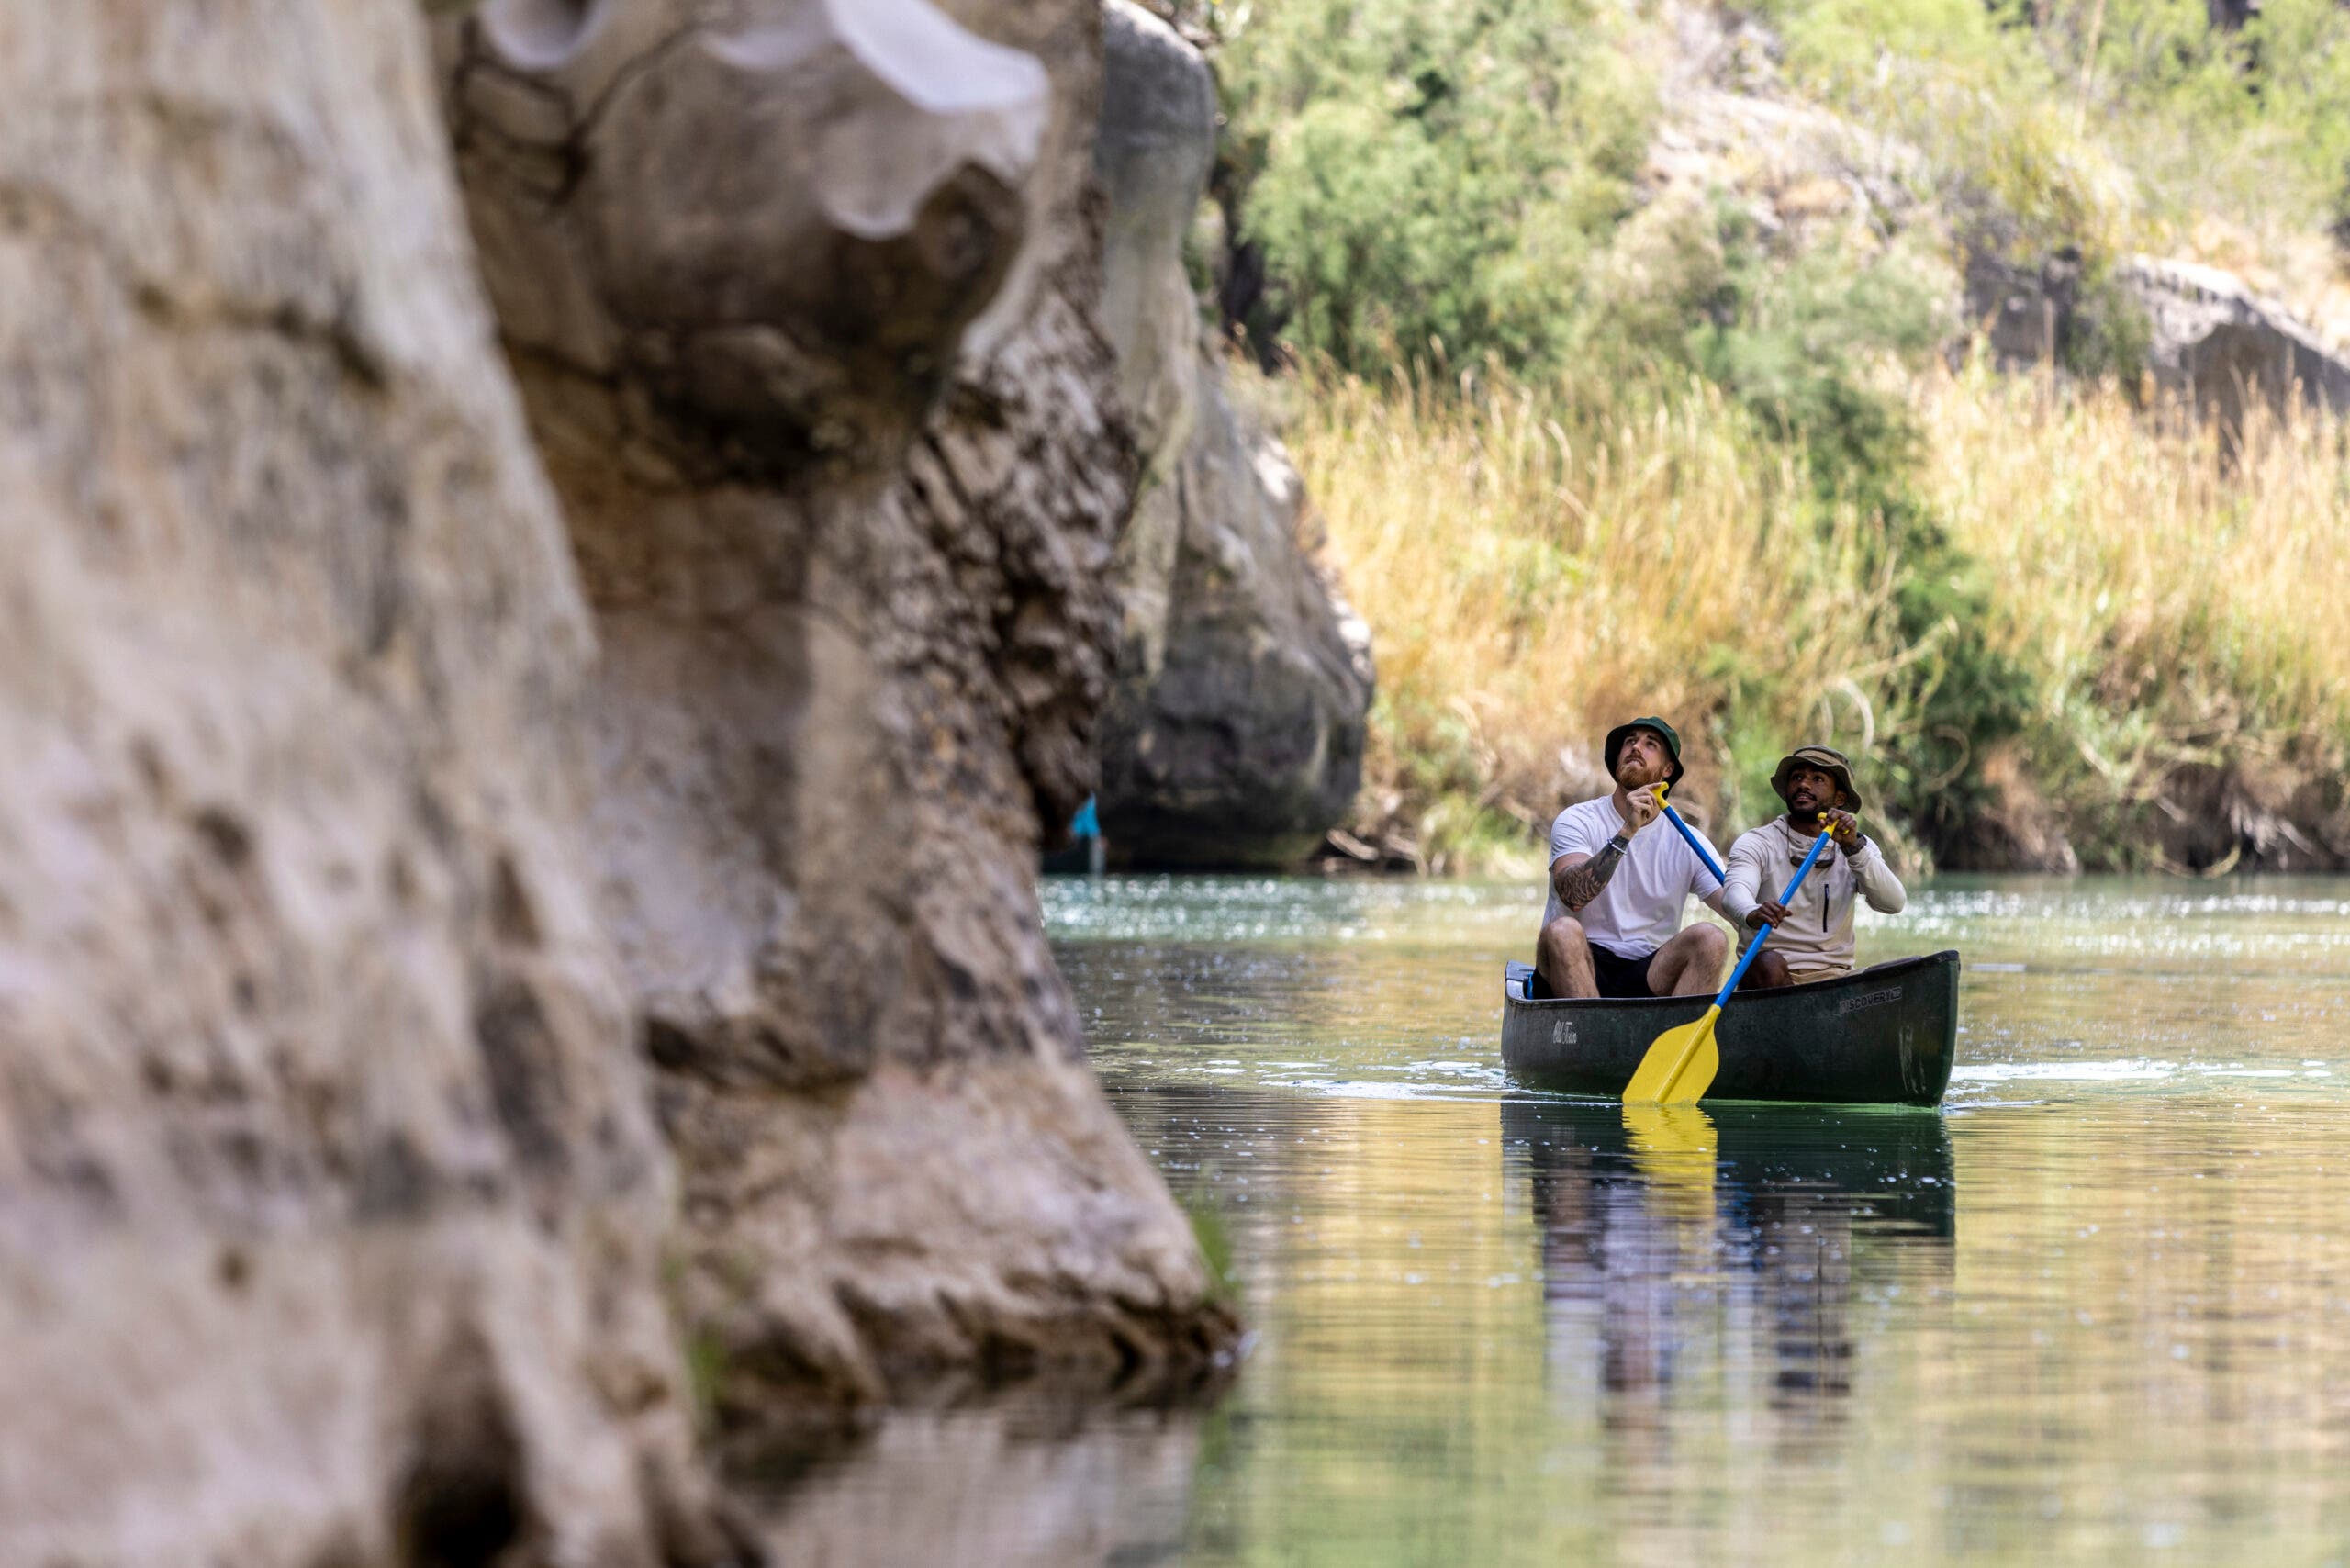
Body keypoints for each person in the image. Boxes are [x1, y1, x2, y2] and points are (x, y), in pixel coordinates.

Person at [1535, 717, 1731, 999]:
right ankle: (1591, 1035)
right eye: (1630, 742)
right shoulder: (1577, 819)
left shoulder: (1689, 840)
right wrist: (1627, 831)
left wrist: (1758, 915)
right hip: (1578, 962)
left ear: (1667, 769)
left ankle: (1676, 1039)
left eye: (1650, 744)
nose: (1636, 747)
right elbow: (1572, 896)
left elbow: (1738, 910)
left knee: (1711, 939)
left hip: (1650, 970)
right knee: (1562, 932)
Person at [1721, 745, 1906, 987]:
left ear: (1839, 798)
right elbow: (1735, 892)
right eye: (1797, 777)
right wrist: (1751, 912)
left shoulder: (1859, 846)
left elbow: (1894, 903)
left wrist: (1853, 849)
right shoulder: (1757, 842)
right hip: (1771, 978)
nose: (1804, 785)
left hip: (1837, 981)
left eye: (1817, 779)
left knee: (1909, 969)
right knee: (1768, 964)